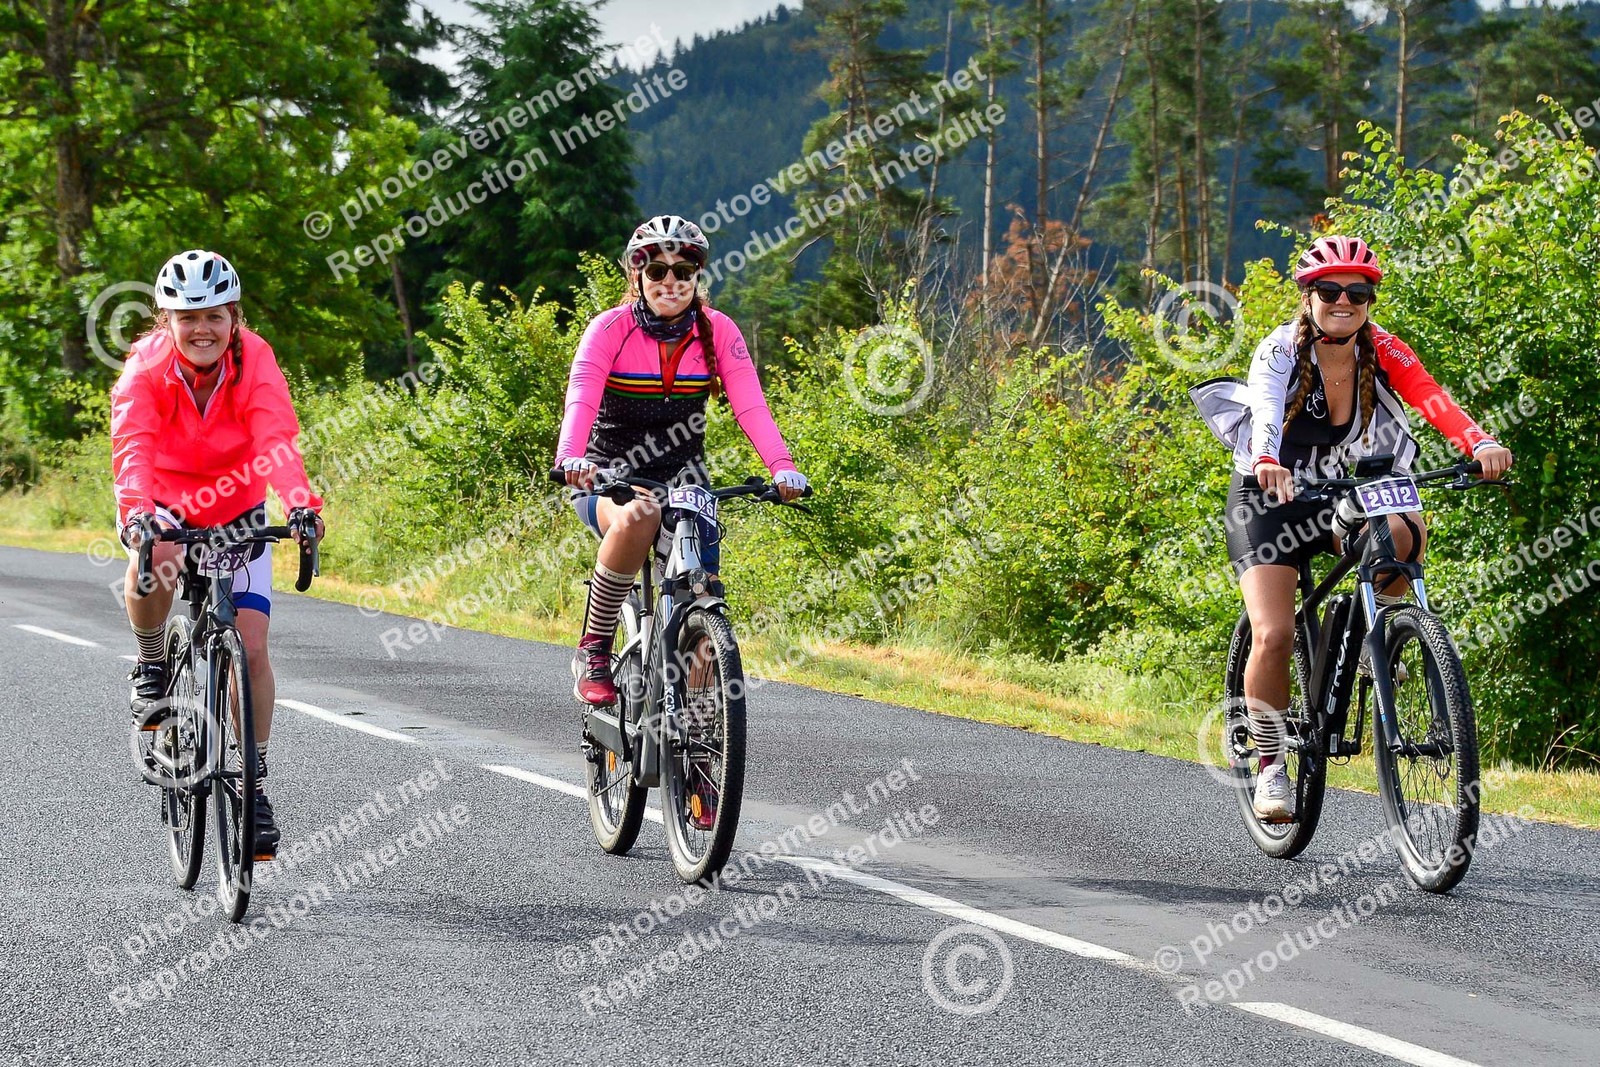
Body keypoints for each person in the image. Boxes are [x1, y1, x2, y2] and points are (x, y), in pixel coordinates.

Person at [1196, 235, 1512, 822]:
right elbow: (1267, 413)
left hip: (1339, 490)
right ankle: (1271, 766)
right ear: (1308, 296)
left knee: (1405, 527)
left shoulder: (1383, 348)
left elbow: (1431, 398)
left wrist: (1478, 441)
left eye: (1358, 293)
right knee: (1274, 634)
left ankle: (1377, 639)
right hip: (1269, 495)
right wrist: (1266, 460)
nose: (1344, 301)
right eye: (1330, 290)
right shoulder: (1279, 351)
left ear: (1369, 301)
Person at [111, 249, 325, 858]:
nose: (201, 329)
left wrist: (300, 504)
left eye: (214, 315)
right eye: (187, 317)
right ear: (167, 321)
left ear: (233, 316)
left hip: (238, 506)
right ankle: (152, 663)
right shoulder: (145, 367)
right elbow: (134, 445)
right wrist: (138, 513)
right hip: (166, 501)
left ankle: (253, 783)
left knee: (251, 647)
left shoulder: (254, 358)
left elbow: (275, 436)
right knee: (155, 559)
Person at [553, 213, 807, 710]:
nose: (670, 281)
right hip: (608, 474)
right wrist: (571, 458)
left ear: (696, 276)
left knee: (703, 587)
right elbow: (581, 395)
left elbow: (751, 405)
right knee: (640, 516)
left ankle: (698, 726)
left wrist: (781, 466)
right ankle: (594, 650)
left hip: (685, 478)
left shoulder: (719, 331)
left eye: (683, 271)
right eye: (657, 271)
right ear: (638, 276)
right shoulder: (610, 329)